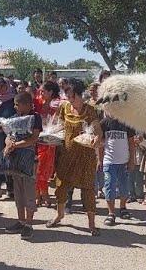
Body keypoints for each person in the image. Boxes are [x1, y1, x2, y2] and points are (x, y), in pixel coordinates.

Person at [46, 78, 103, 236]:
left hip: (86, 156)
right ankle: (59, 215)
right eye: (68, 96)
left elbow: (97, 129)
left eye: (73, 96)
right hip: (66, 154)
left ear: (80, 95)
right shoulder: (64, 107)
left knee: (88, 189)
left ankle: (91, 224)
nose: (70, 99)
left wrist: (97, 138)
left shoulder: (90, 110)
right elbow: (59, 125)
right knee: (61, 185)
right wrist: (49, 134)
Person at [3, 92, 42, 240]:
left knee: (29, 192)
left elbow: (33, 138)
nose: (15, 107)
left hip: (29, 158)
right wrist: (8, 144)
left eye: (17, 104)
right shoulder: (14, 118)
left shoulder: (35, 117)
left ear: (27, 104)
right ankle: (20, 220)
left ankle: (29, 224)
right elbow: (8, 134)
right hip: (15, 159)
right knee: (18, 192)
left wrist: (15, 145)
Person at [99, 112, 135, 226]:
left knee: (124, 187)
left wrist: (131, 160)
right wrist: (100, 160)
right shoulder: (104, 123)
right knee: (109, 185)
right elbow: (100, 143)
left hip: (123, 162)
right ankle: (111, 213)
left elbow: (131, 144)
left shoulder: (126, 122)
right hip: (109, 162)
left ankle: (123, 207)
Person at [34, 81, 62, 207]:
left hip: (49, 141)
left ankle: (43, 195)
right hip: (37, 140)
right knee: (37, 168)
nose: (41, 93)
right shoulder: (38, 103)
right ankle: (38, 195)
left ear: (50, 92)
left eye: (43, 91)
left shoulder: (58, 105)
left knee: (45, 169)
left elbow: (59, 122)